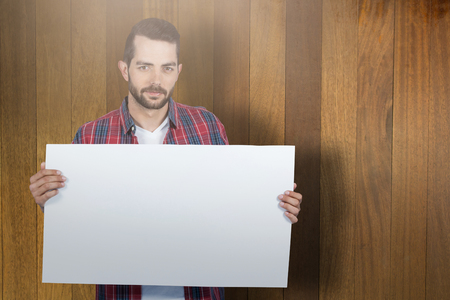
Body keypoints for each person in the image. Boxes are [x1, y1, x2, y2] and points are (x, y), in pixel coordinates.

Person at [29, 18, 302, 300]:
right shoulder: (91, 135)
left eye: (167, 68)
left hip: (199, 294)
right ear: (125, 69)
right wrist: (48, 201)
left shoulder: (207, 126)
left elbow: (231, 206)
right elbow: (80, 223)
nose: (156, 80)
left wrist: (276, 209)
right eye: (144, 66)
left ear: (178, 72)